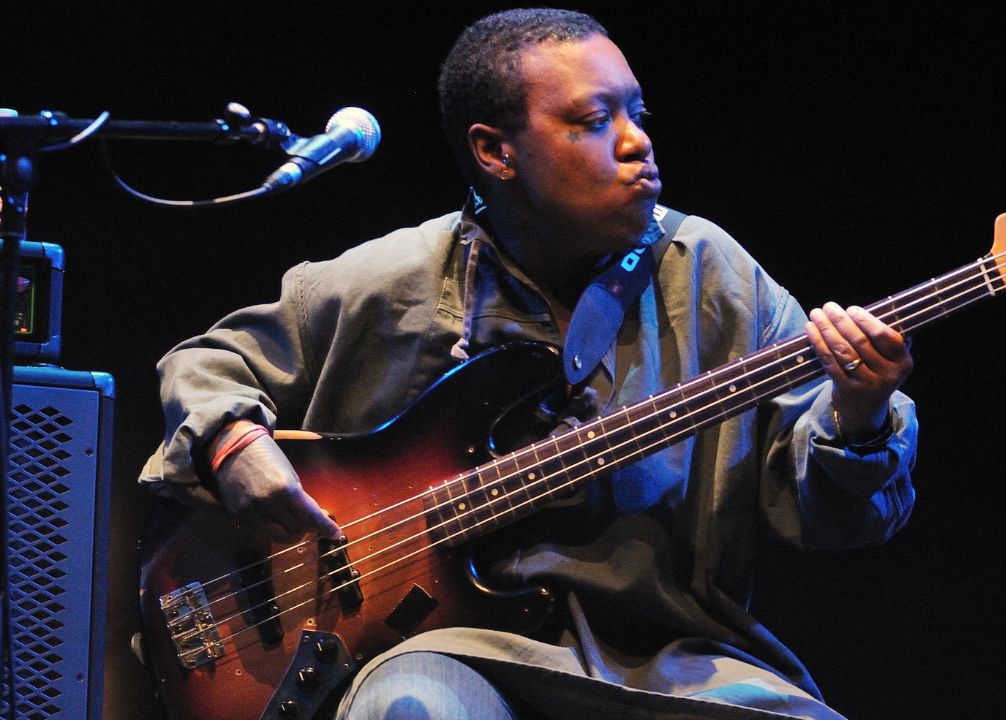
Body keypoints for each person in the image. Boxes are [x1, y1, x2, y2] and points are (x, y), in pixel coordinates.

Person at [140, 8, 917, 719]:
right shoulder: (397, 278)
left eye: (636, 113)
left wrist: (858, 414)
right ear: (495, 151)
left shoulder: (714, 276)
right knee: (411, 710)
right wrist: (233, 443)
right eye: (591, 120)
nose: (636, 140)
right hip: (450, 652)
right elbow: (209, 362)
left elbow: (834, 521)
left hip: (668, 662)